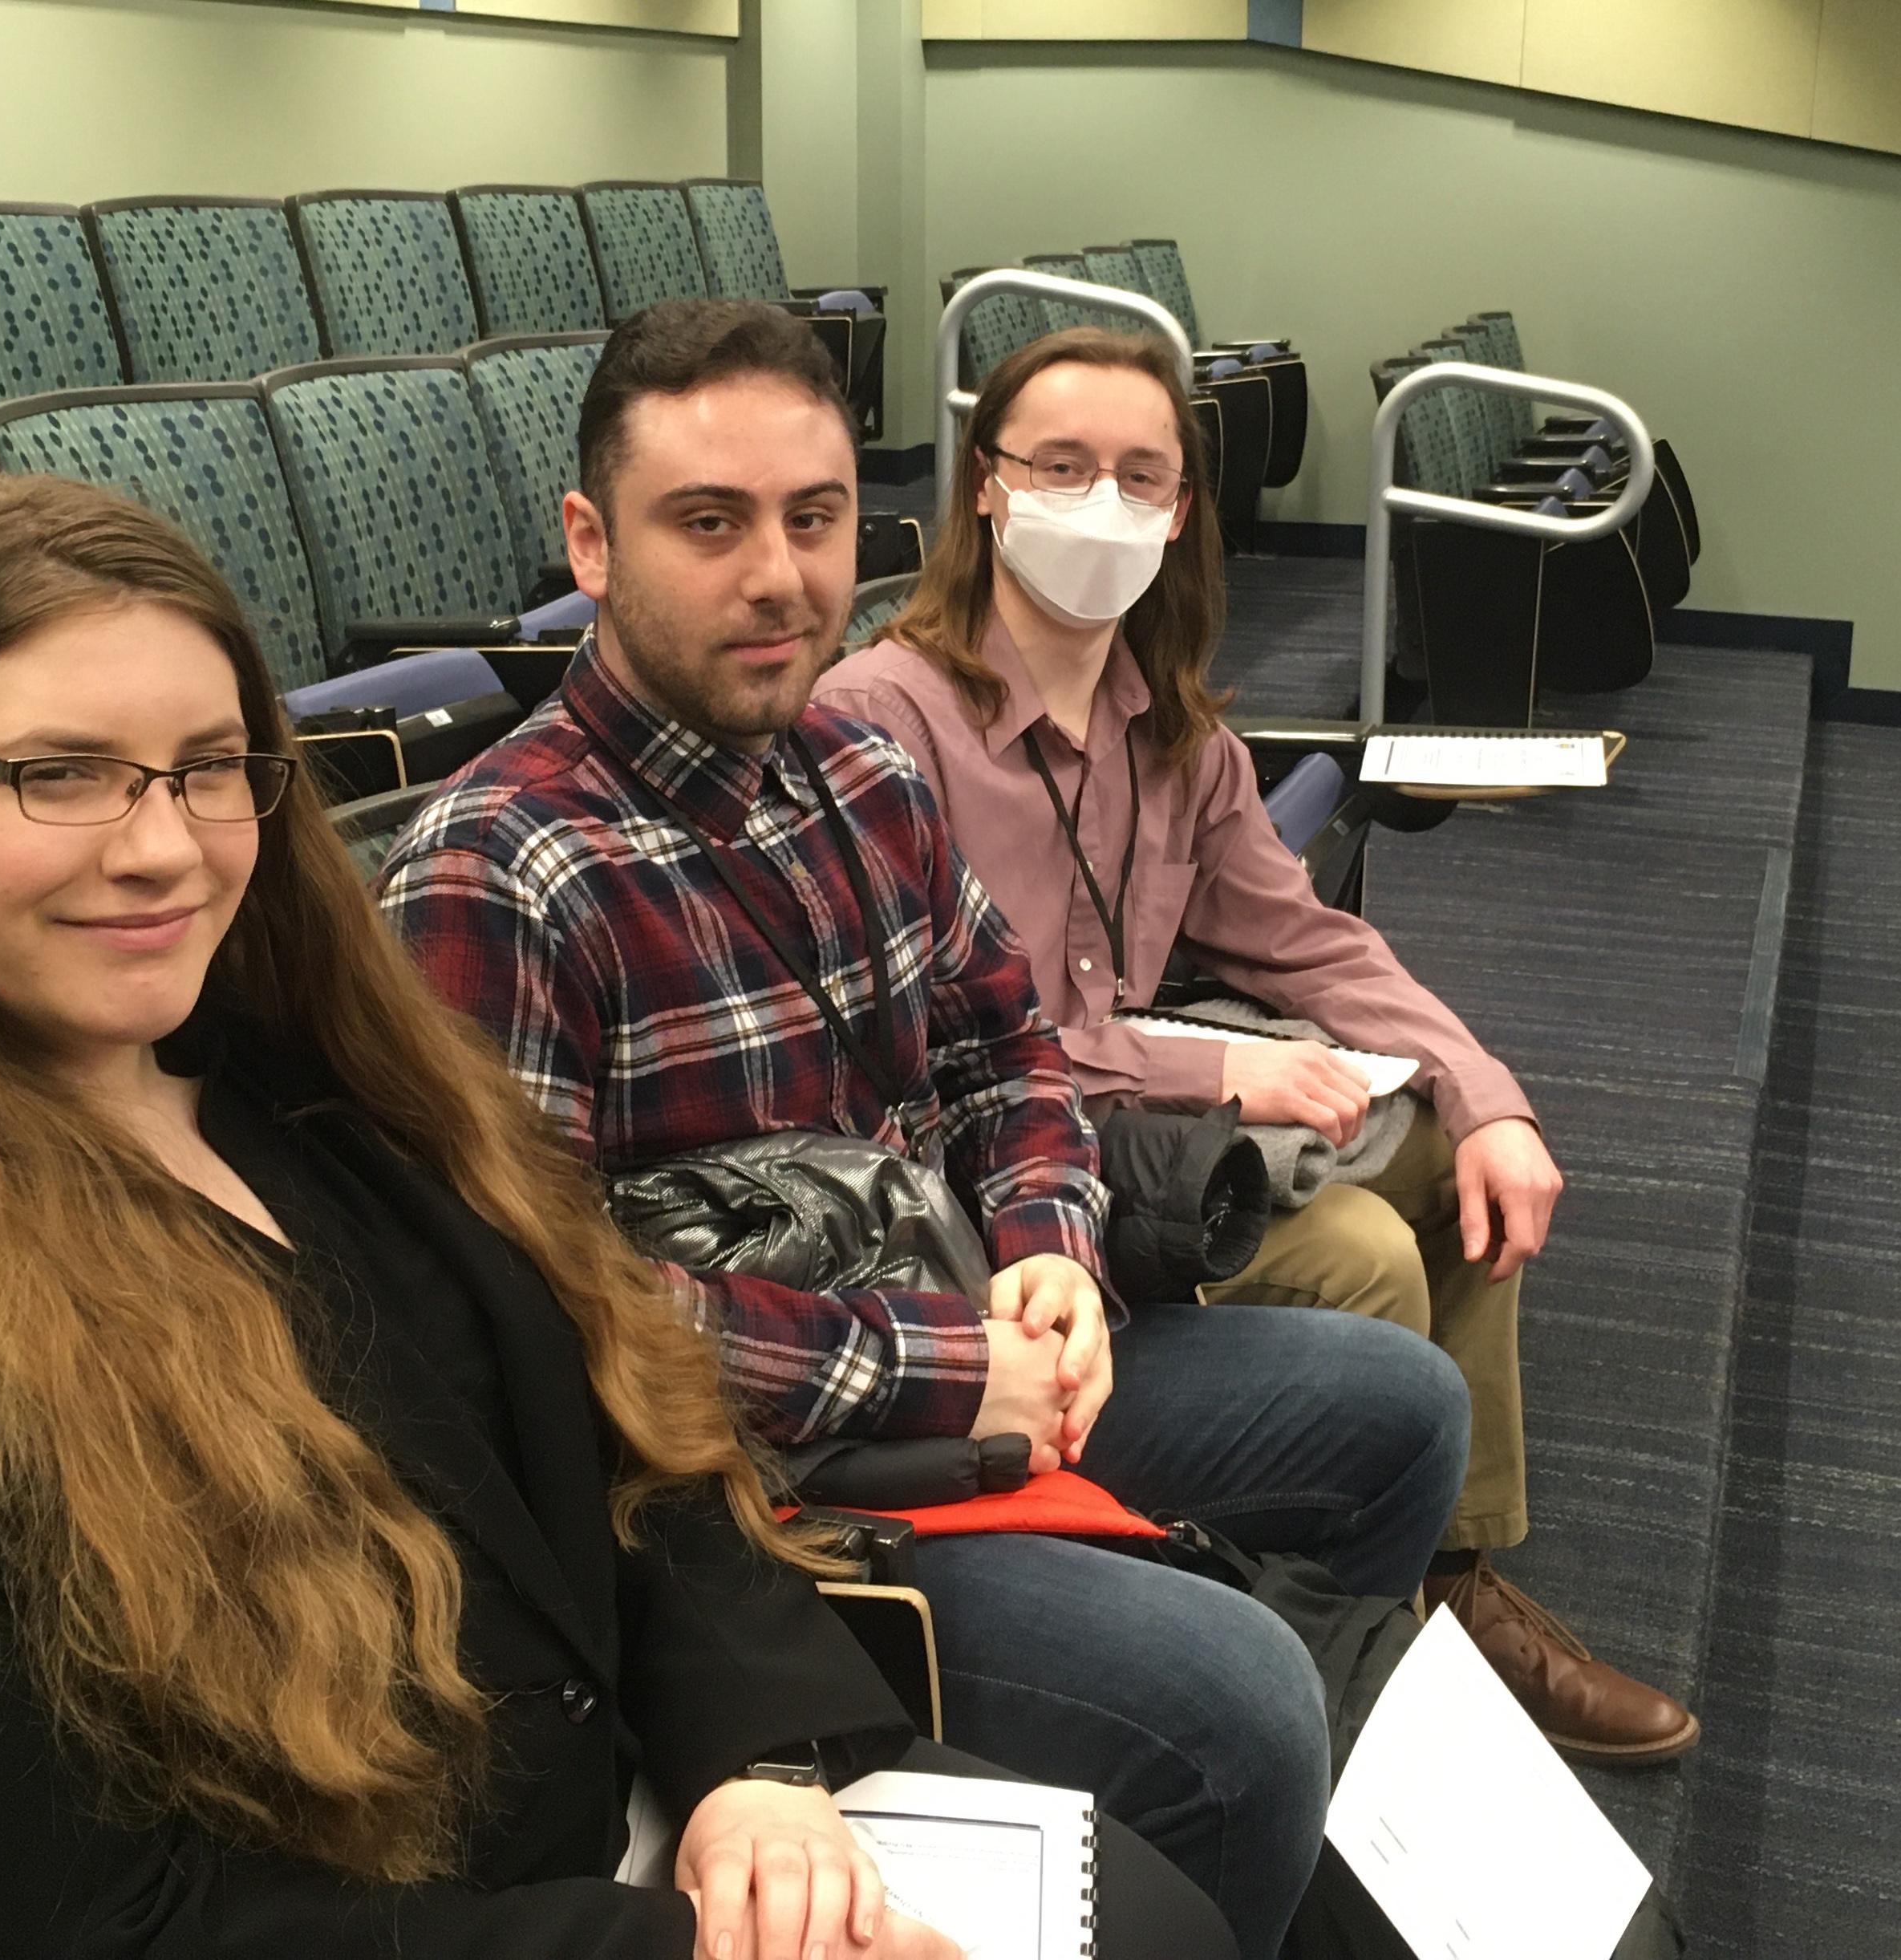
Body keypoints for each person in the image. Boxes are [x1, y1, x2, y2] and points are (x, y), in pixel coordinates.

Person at [0, 473, 1240, 1960]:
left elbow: (629, 1434)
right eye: (60, 773)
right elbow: (74, 1929)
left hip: (614, 1834)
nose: (163, 846)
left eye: (209, 768)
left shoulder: (312, 1103)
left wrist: (759, 1767)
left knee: (1163, 1909)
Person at [376, 298, 1473, 1960]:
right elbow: (536, 1318)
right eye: (710, 522)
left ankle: (1297, 1831)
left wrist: (1048, 1251)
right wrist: (942, 1367)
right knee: (1234, 1712)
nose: (778, 576)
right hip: (751, 1506)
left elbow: (1010, 1054)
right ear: (590, 545)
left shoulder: (856, 772)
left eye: (815, 521)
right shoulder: (502, 872)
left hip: (969, 1346)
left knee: (1399, 1408)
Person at [815, 324, 1698, 1767]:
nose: (1099, 504)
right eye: (1060, 466)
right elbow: (926, 1048)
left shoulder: (1171, 731)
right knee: (1362, 1250)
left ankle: (1448, 1576)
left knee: (1445, 1164)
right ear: (986, 489)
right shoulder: (880, 722)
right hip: (980, 1174)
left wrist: (1488, 1100)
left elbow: (1311, 945)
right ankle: (1347, 1617)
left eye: (1139, 476)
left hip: (1115, 1129)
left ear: (1177, 512)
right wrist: (1207, 1071)